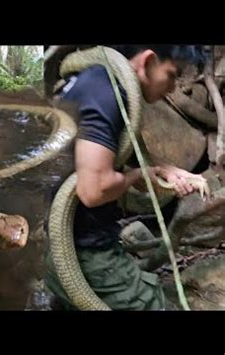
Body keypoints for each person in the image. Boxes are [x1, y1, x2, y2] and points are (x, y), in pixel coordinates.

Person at [44, 45, 207, 310]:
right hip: (86, 253)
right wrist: (136, 177)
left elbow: (116, 153)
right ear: (149, 60)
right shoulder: (106, 92)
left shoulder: (91, 80)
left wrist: (166, 170)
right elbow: (93, 190)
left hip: (62, 242)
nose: (173, 87)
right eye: (172, 75)